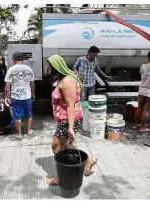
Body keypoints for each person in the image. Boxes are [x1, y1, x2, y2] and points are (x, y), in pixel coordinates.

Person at [47, 54, 98, 186]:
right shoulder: (63, 79)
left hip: (69, 120)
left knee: (57, 147)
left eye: (50, 65)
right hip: (66, 119)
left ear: (56, 66)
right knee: (66, 146)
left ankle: (61, 176)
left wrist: (70, 127)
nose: (48, 68)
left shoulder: (68, 81)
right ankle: (88, 160)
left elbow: (71, 106)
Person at [4, 51, 35, 138]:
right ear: (22, 59)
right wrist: (33, 94)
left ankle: (19, 134)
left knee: (17, 116)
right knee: (29, 114)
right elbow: (32, 83)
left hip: (15, 96)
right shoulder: (29, 69)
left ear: (14, 59)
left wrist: (7, 96)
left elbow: (7, 84)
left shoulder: (11, 69)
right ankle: (29, 131)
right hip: (27, 96)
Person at [134, 50, 150, 132]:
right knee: (146, 110)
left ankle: (136, 124)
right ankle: (142, 127)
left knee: (139, 108)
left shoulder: (143, 66)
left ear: (148, 57)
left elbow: (141, 73)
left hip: (141, 90)